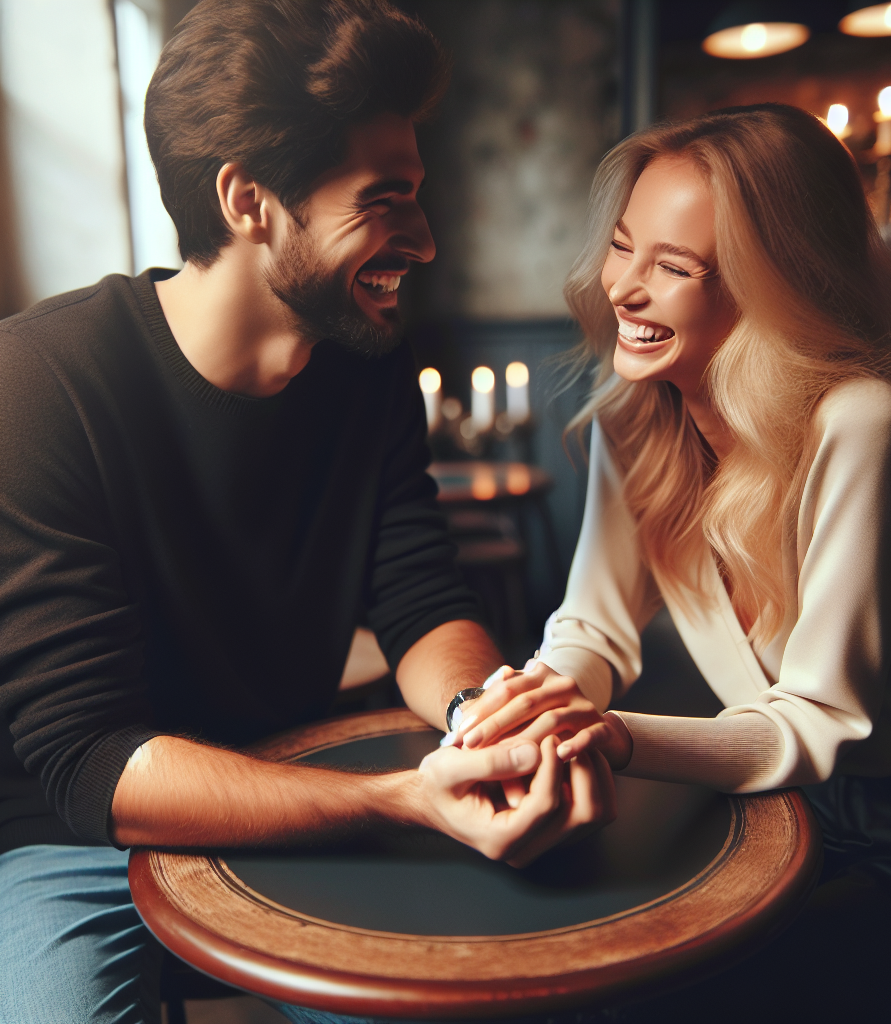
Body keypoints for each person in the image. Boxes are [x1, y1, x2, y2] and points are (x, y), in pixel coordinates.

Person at [0, 3, 613, 1022]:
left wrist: (480, 722)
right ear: (249, 200)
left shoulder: (364, 379)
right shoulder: (39, 382)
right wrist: (395, 798)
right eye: (385, 199)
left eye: (417, 195)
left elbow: (420, 602)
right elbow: (89, 759)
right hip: (75, 843)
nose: (422, 237)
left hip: (296, 782)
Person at [449, 105, 891, 1023]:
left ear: (772, 285)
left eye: (673, 268)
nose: (624, 291)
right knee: (547, 954)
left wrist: (620, 736)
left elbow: (823, 719)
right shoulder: (631, 415)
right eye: (624, 248)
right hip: (768, 820)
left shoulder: (856, 418)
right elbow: (593, 626)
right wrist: (541, 704)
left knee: (640, 993)